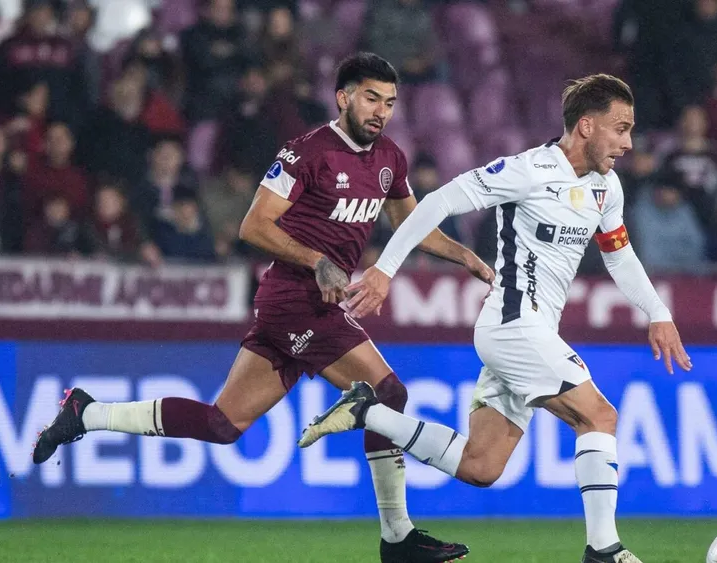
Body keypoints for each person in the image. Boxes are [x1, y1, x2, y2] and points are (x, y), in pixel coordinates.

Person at [32, 52, 487, 563]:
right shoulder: (305, 152)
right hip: (296, 301)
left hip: (307, 310)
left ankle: (87, 412)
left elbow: (412, 224)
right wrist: (317, 260)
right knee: (386, 393)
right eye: (371, 98)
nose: (381, 111)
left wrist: (465, 256)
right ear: (343, 97)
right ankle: (398, 536)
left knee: (222, 425)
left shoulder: (390, 159)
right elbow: (253, 225)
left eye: (390, 102)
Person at [298, 74, 692, 563]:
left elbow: (619, 255)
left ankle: (365, 411)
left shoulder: (605, 188)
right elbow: (439, 201)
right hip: (511, 325)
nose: (629, 143)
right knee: (600, 416)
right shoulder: (527, 170)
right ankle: (604, 550)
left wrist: (657, 311)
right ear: (587, 126)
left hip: (532, 332)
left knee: (482, 465)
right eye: (621, 128)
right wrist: (384, 269)